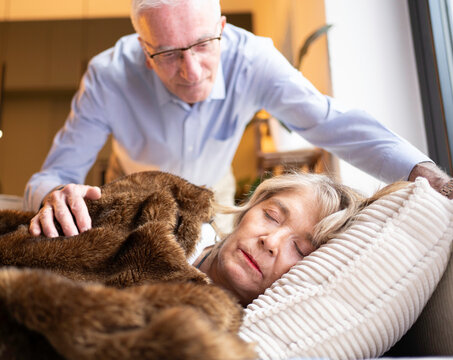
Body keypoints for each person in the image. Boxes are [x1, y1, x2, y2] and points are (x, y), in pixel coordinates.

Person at [24, 0, 453, 239]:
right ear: (143, 47)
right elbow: (54, 173)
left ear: (223, 28)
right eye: (169, 53)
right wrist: (56, 193)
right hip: (133, 194)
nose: (191, 72)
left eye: (203, 45)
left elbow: (332, 122)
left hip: (216, 196)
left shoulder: (254, 60)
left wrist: (425, 173)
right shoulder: (109, 74)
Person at [191, 171, 401, 306]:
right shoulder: (172, 231)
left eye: (300, 249)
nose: (271, 242)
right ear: (252, 206)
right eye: (271, 216)